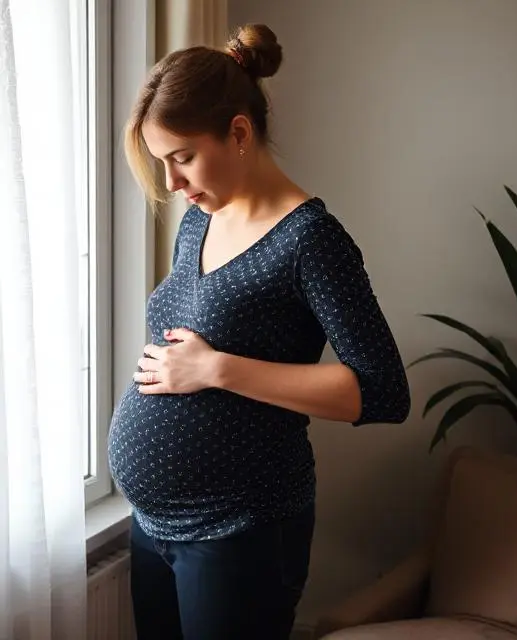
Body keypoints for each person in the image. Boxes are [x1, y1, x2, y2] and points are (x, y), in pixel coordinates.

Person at [107, 23, 411, 640]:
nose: (171, 184)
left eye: (182, 158)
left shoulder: (310, 241)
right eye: (162, 163)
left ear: (239, 132)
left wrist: (216, 368)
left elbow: (383, 391)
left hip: (239, 533)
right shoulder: (200, 219)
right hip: (155, 524)